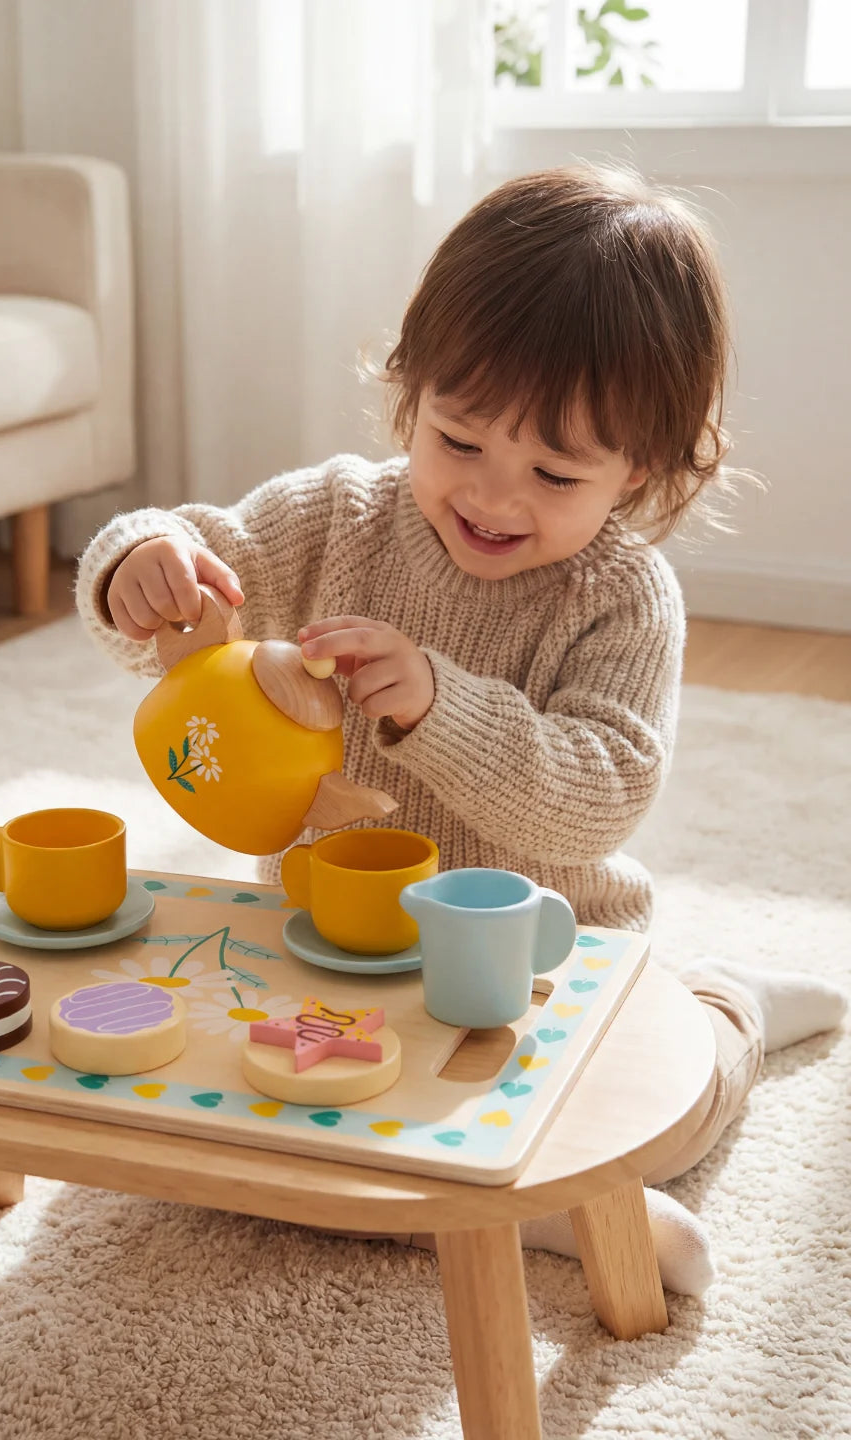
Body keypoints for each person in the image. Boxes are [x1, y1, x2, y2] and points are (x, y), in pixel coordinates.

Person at [75, 165, 845, 1295]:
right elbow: (194, 581)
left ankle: (725, 1005)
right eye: (459, 437)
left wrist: (440, 706)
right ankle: (539, 1213)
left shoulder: (621, 598)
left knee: (659, 1115)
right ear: (411, 390)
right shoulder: (338, 514)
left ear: (642, 468)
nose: (494, 495)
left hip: (550, 957)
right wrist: (137, 563)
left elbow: (603, 792)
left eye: (554, 470)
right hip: (332, 951)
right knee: (222, 1134)